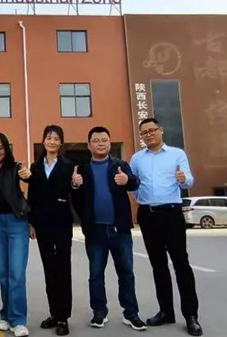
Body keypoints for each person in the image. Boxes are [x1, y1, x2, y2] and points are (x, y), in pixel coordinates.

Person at [130, 118, 202, 336]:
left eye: (152, 130)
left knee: (181, 264)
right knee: (158, 264)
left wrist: (183, 179)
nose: (149, 134)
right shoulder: (137, 158)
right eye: (144, 132)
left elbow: (188, 181)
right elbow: (133, 184)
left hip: (171, 213)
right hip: (147, 214)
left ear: (161, 131)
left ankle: (191, 315)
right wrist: (142, 198)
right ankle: (166, 311)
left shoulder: (176, 154)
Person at [71, 126, 147, 331]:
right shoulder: (82, 169)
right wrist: (75, 185)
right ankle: (99, 312)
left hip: (119, 229)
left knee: (126, 272)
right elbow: (76, 199)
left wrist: (127, 179)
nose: (100, 144)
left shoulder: (120, 165)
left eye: (104, 140)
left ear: (109, 143)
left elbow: (135, 184)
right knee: (96, 274)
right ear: (89, 145)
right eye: (96, 141)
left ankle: (131, 313)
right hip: (95, 230)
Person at [27, 125, 76, 336]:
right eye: (49, 137)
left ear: (61, 142)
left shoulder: (69, 166)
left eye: (56, 138)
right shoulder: (36, 166)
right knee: (49, 270)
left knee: (62, 269)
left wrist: (76, 184)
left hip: (62, 223)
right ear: (43, 141)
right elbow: (32, 195)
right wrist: (31, 222)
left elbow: (75, 191)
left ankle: (63, 317)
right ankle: (54, 313)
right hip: (42, 224)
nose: (52, 141)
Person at [0, 133, 32, 337]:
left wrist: (27, 174)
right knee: (3, 274)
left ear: (6, 149)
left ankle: (18, 320)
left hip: (16, 222)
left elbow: (28, 179)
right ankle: (6, 315)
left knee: (16, 273)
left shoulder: (16, 168)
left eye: (1, 148)